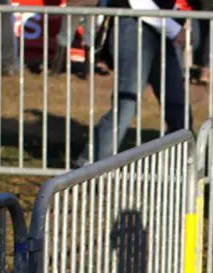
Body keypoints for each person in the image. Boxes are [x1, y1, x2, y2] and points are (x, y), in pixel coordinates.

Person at [74, 0, 190, 165]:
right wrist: (174, 28)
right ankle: (88, 167)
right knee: (127, 105)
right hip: (134, 26)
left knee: (177, 105)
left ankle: (184, 167)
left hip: (159, 28)